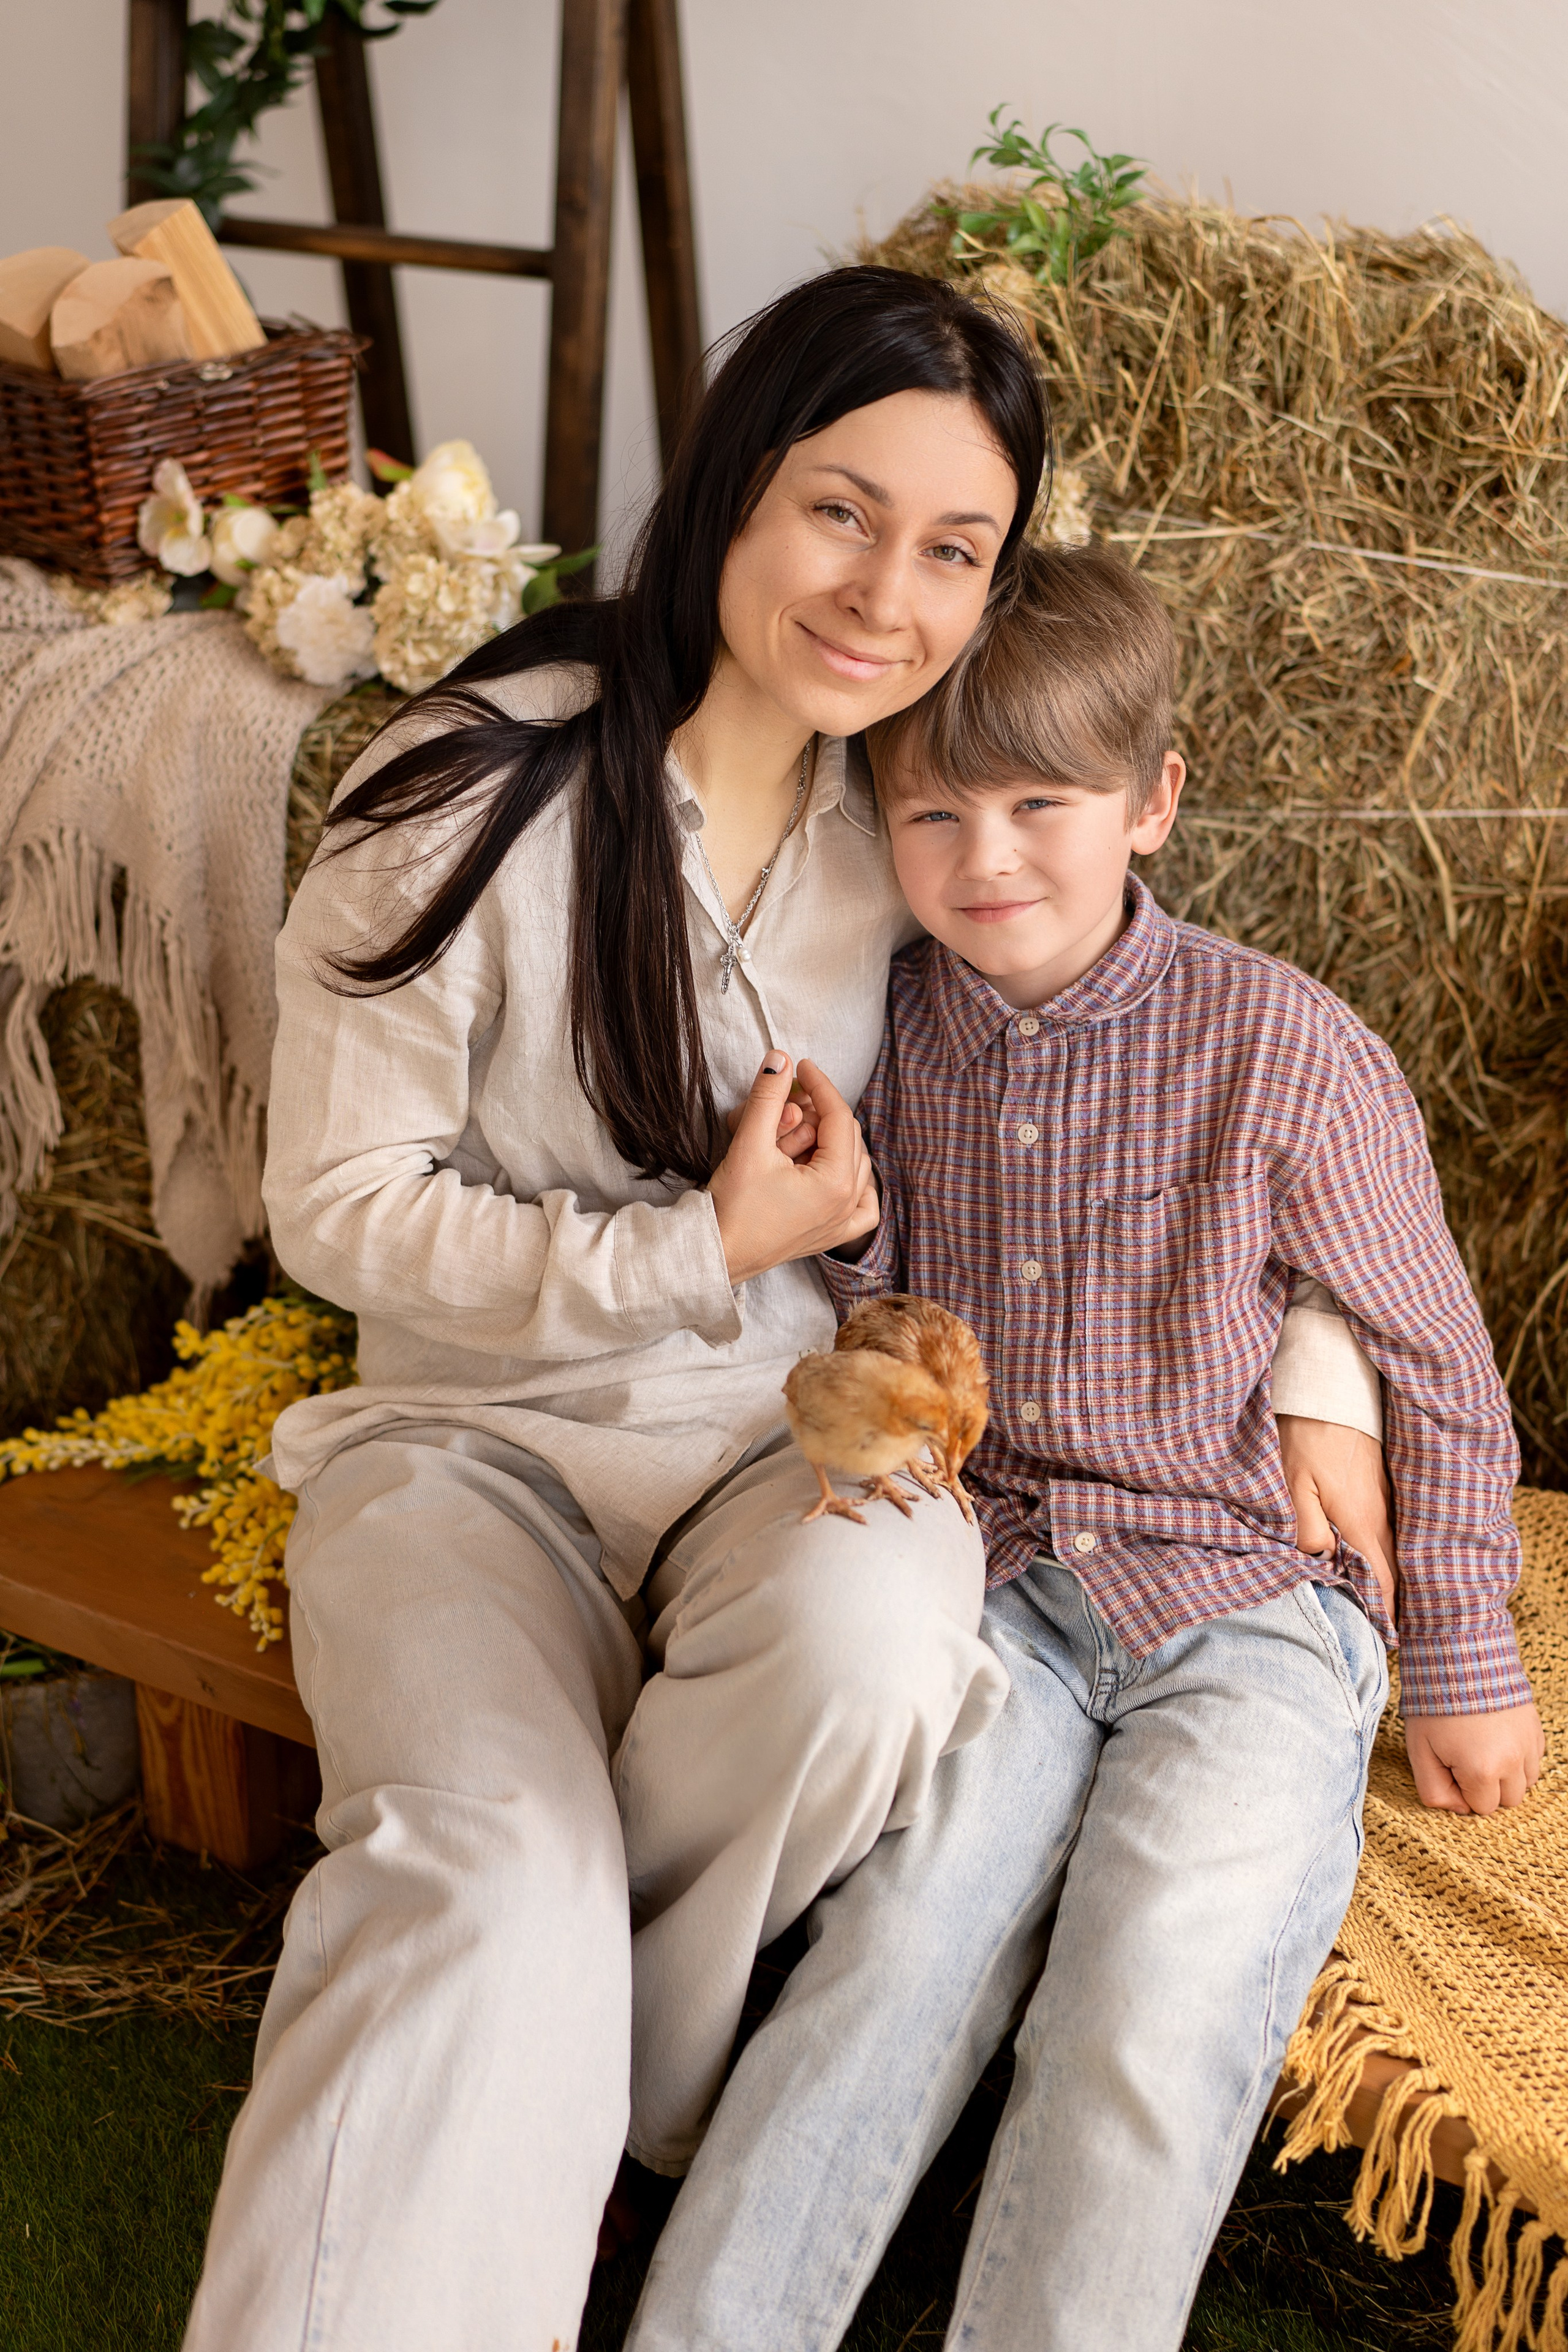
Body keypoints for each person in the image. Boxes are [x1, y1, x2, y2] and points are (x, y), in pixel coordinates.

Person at [183, 272, 1387, 2352]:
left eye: (955, 550)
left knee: (889, 1636)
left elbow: (1177, 1086)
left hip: (778, 1445)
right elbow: (338, 1213)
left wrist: (1317, 1361)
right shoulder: (468, 784)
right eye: (844, 511)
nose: (887, 594)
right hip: (473, 1454)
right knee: (488, 1875)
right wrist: (690, 1249)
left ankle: (610, 2103)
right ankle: (547, 2061)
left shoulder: (917, 823)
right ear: (736, 482)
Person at [624, 540, 1544, 2352]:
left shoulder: (1284, 1053)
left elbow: (1436, 1360)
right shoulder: (885, 1043)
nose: (986, 862)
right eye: (935, 815)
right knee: (888, 1965)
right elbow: (878, 1303)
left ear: (1153, 803)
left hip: (1255, 1604)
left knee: (1148, 2006)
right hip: (1014, 1592)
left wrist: (1465, 1652)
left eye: (1042, 805)